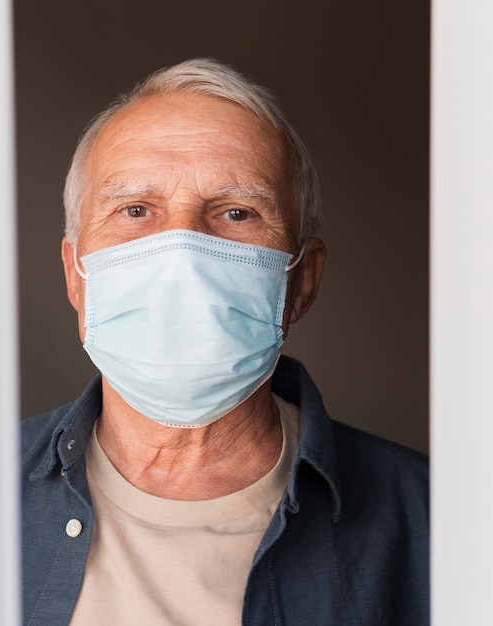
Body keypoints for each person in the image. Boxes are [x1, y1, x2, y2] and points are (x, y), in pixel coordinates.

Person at [21, 59, 429, 625]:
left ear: (301, 280)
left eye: (237, 213)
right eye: (135, 210)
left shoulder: (442, 526)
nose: (182, 253)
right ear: (75, 274)